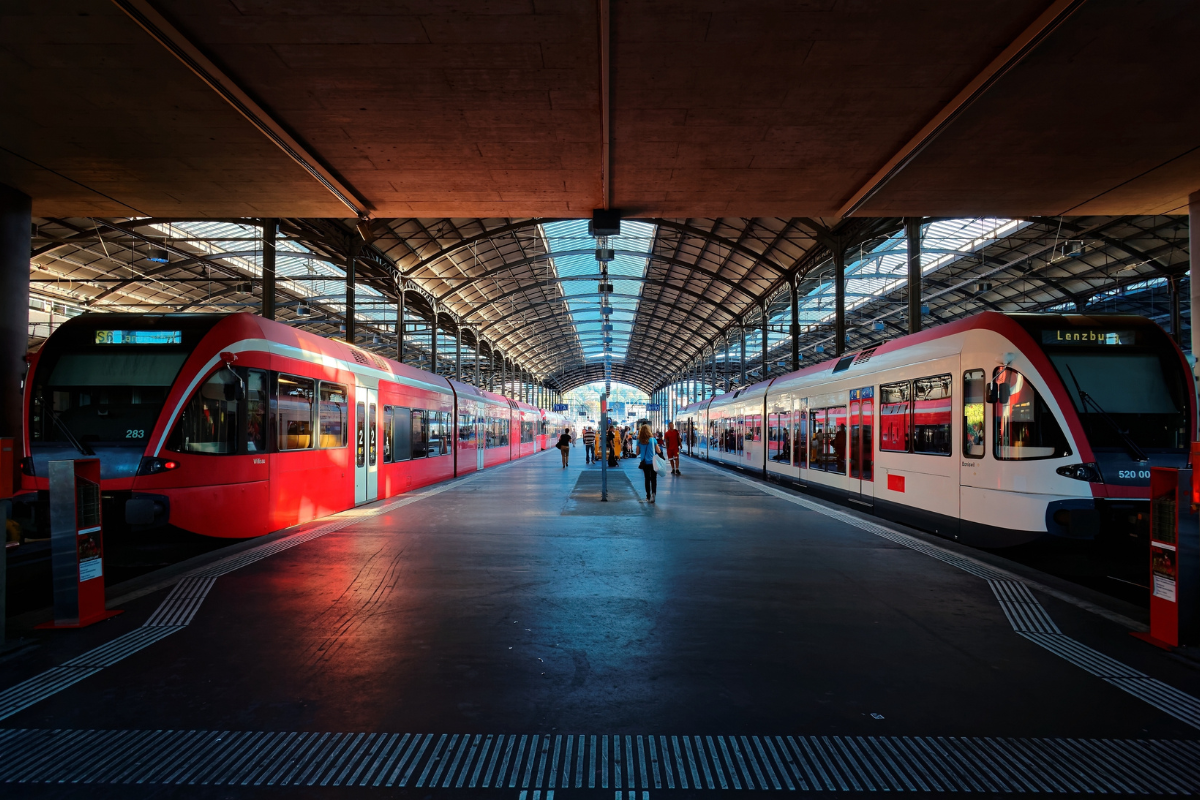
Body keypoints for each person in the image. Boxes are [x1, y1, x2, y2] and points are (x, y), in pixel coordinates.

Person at [637, 424, 663, 503]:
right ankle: (653, 494)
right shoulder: (653, 440)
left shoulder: (639, 441)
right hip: (653, 462)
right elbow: (658, 451)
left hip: (645, 463)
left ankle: (648, 496)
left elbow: (637, 453)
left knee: (647, 479)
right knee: (654, 479)